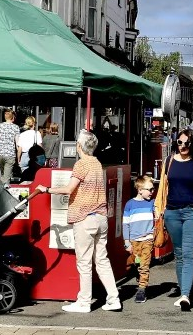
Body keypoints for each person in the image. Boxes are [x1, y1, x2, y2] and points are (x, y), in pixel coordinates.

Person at [38, 130, 121, 312]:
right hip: (100, 217)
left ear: (79, 147)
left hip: (85, 217)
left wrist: (47, 189)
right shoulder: (97, 163)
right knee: (102, 260)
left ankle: (84, 301)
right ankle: (113, 298)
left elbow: (69, 189)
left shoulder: (81, 165)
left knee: (84, 262)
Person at [154, 128, 193, 310]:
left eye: (187, 143)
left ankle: (185, 295)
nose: (182, 146)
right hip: (172, 213)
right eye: (180, 142)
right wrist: (159, 209)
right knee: (179, 253)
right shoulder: (169, 162)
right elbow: (162, 189)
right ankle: (184, 290)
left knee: (188, 252)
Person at [123, 175, 156, 304]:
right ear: (140, 189)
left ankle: (142, 289)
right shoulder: (130, 204)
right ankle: (139, 277)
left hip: (148, 239)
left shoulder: (152, 204)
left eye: (153, 189)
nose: (152, 192)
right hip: (133, 241)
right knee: (136, 263)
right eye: (150, 189)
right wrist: (127, 242)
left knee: (144, 265)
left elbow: (158, 213)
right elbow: (126, 224)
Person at [0, 110, 19, 183]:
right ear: (13, 118)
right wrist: (19, 157)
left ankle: (0, 190)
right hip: (10, 155)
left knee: (2, 175)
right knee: (7, 177)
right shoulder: (15, 127)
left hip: (0, 154)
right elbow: (17, 144)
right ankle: (4, 191)